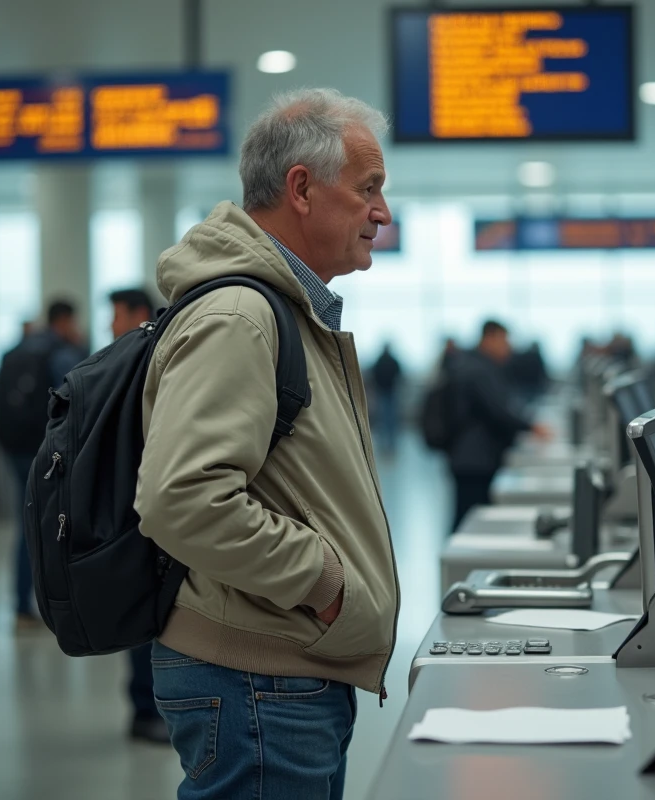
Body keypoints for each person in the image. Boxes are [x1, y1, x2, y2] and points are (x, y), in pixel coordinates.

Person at [134, 88, 399, 800]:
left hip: (280, 671)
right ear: (302, 189)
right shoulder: (241, 315)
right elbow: (180, 497)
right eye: (368, 189)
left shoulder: (280, 309)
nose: (383, 213)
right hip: (259, 678)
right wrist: (325, 585)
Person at [105, 287, 168, 745]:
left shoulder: (145, 359)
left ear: (139, 314)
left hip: (144, 505)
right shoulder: (132, 359)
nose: (111, 324)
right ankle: (146, 710)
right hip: (133, 510)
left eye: (117, 314)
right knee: (143, 612)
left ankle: (150, 708)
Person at [1, 300, 86, 631]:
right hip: (46, 452)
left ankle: (23, 605)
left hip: (14, 449)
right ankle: (57, 607)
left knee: (27, 526)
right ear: (64, 320)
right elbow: (76, 396)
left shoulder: (17, 350)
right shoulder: (60, 352)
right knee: (53, 527)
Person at [445, 321, 552, 531]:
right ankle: (463, 560)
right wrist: (532, 427)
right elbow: (499, 410)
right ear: (490, 338)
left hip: (469, 455)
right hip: (474, 459)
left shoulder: (474, 364)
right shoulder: (479, 369)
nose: (508, 347)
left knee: (467, 516)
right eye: (504, 341)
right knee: (469, 518)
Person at [369, 343, 403, 457]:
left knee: (383, 420)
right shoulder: (393, 360)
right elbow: (399, 374)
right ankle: (391, 446)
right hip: (390, 392)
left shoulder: (379, 360)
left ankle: (384, 446)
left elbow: (373, 375)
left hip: (382, 392)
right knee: (390, 421)